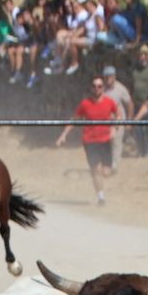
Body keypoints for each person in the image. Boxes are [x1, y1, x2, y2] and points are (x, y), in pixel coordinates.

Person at [56, 75, 118, 205]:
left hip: (105, 140)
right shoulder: (85, 104)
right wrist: (64, 135)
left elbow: (118, 115)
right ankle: (101, 197)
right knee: (95, 168)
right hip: (90, 141)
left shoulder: (109, 102)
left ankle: (97, 175)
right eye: (94, 86)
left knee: (106, 172)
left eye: (100, 86)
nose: (97, 89)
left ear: (103, 88)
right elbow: (74, 119)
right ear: (91, 88)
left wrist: (114, 128)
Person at [100, 65, 133, 170]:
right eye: (106, 76)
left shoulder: (121, 89)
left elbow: (129, 104)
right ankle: (107, 164)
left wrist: (129, 120)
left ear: (114, 76)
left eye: (110, 76)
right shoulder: (101, 88)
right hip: (105, 120)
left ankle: (115, 165)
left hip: (118, 120)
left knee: (116, 141)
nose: (108, 79)